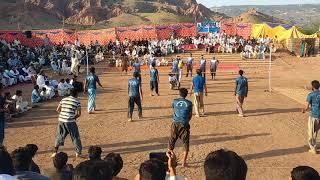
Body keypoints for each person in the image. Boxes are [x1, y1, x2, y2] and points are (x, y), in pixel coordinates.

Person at [52, 89, 83, 158]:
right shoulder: (77, 101)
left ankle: (55, 152)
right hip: (70, 122)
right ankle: (78, 153)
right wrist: (73, 117)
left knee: (59, 136)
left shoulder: (63, 99)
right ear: (76, 94)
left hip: (61, 121)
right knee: (75, 137)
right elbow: (79, 114)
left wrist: (63, 115)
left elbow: (57, 110)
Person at [168, 88, 192, 167]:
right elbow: (190, 114)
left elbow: (173, 110)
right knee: (185, 143)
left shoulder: (174, 101)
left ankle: (170, 160)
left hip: (175, 123)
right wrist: (187, 120)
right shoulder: (189, 103)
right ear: (186, 94)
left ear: (179, 94)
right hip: (184, 124)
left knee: (171, 142)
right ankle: (184, 162)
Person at [302, 80, 320, 154]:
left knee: (311, 132)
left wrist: (303, 110)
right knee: (316, 131)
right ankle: (314, 144)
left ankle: (313, 148)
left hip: (313, 116)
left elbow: (307, 107)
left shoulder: (310, 95)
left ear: (312, 87)